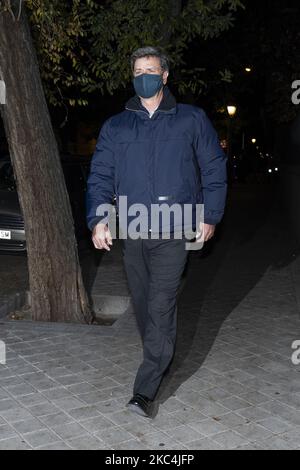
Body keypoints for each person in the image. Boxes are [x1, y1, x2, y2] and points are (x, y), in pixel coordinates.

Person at [86, 46, 227, 418]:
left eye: (150, 69)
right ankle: (160, 353)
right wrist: (99, 219)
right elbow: (100, 175)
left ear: (165, 75)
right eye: (137, 70)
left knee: (162, 305)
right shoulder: (116, 127)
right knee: (146, 304)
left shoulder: (191, 120)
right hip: (132, 230)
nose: (143, 76)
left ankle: (145, 391)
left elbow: (213, 167)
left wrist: (210, 215)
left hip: (175, 228)